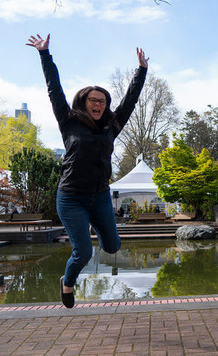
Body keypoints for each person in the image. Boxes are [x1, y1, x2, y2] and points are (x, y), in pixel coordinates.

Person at [26, 33, 148, 308]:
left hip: (100, 196)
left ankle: (94, 224)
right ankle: (67, 283)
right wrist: (45, 54)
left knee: (113, 247)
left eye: (102, 101)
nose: (98, 104)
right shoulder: (69, 122)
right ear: (83, 102)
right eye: (93, 100)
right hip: (71, 196)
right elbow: (53, 89)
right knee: (82, 253)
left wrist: (141, 71)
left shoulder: (111, 126)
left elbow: (129, 101)